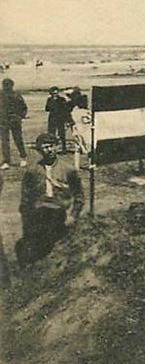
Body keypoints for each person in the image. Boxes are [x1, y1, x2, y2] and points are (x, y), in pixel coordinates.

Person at [15, 134, 83, 266]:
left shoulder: (68, 170)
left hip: (59, 213)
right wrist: (27, 218)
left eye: (52, 146)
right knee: (36, 250)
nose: (49, 150)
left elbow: (79, 196)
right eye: (45, 147)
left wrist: (73, 216)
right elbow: (26, 197)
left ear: (57, 147)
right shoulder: (33, 171)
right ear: (39, 150)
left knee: (56, 250)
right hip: (38, 213)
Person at [0, 77, 29, 169]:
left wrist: (20, 116)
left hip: (15, 121)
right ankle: (6, 161)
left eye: (8, 85)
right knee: (5, 142)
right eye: (5, 85)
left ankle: (23, 158)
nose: (6, 87)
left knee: (18, 140)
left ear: (12, 86)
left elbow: (24, 108)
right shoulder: (0, 95)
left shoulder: (17, 95)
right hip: (3, 122)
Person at [45, 87, 71, 152]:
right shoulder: (49, 99)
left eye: (56, 93)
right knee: (51, 133)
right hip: (52, 118)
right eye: (53, 93)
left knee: (61, 134)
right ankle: (52, 147)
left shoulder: (61, 99)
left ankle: (63, 148)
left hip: (60, 118)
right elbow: (47, 109)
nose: (55, 94)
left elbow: (65, 109)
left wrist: (66, 119)